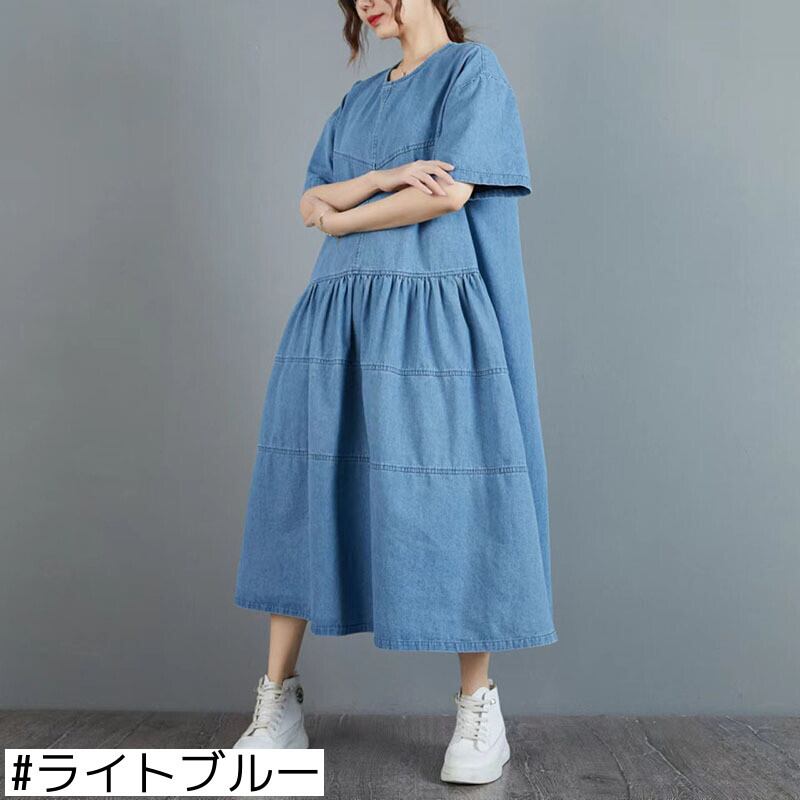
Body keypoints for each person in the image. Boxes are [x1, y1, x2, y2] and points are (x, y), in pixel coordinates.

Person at [231, 0, 557, 785]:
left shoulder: (471, 73)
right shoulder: (357, 101)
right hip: (336, 314)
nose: (365, 3)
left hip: (431, 310)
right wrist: (378, 180)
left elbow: (447, 195)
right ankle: (277, 704)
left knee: (454, 488)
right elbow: (308, 199)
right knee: (306, 488)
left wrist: (345, 216)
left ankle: (478, 708)